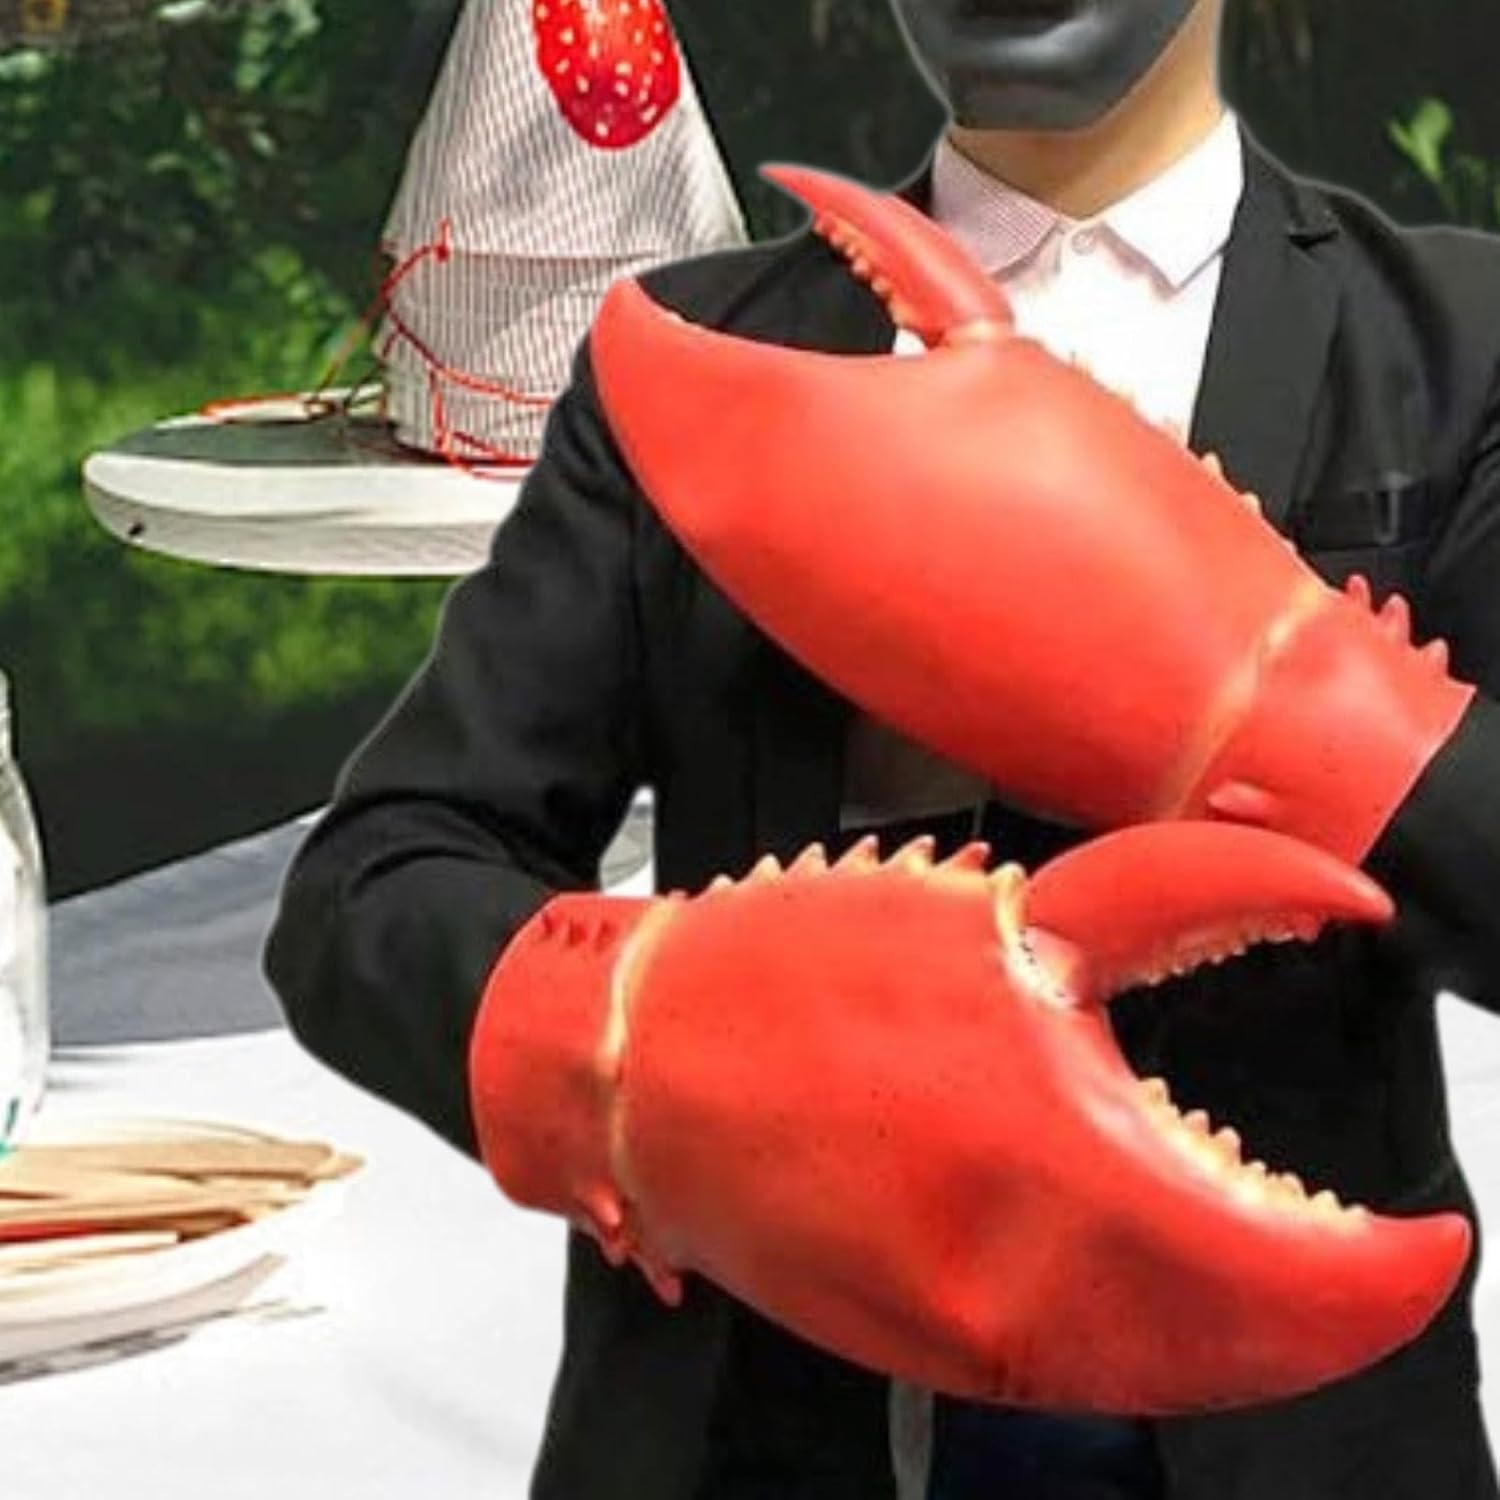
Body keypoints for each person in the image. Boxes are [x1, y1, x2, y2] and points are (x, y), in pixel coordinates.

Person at [265, 1, 1500, 1494]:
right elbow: (377, 882)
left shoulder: (1455, 344)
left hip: (1307, 1429)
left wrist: (1305, 706)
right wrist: (627, 1045)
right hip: (757, 1430)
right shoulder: (700, 361)